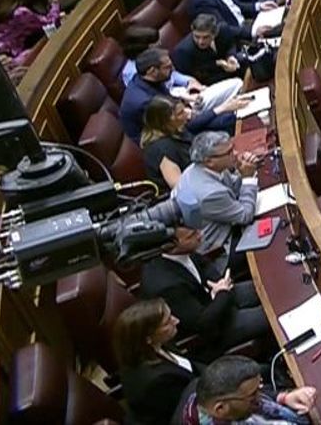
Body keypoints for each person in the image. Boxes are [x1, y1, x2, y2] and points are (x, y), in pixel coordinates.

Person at [138, 224, 271, 359]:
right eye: (191, 236)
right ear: (170, 246)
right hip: (216, 330)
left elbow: (205, 264)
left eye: (196, 230)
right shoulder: (168, 287)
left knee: (269, 285)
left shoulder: (182, 252)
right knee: (272, 314)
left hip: (217, 298)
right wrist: (222, 292)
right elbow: (204, 322)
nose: (200, 235)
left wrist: (219, 283)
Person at [172, 131, 261, 255]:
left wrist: (242, 171)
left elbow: (232, 188)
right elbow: (245, 215)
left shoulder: (199, 168)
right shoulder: (209, 195)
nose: (236, 153)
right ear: (209, 161)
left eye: (233, 148)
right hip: (221, 248)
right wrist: (248, 178)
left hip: (226, 222)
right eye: (229, 152)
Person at [115, 299, 202, 425]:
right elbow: (189, 410)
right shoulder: (156, 383)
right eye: (167, 322)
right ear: (148, 338)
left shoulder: (157, 345)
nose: (176, 320)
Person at [175, 354, 315, 424]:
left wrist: (284, 397)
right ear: (220, 408)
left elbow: (251, 393)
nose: (259, 398)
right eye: (253, 394)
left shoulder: (206, 391)